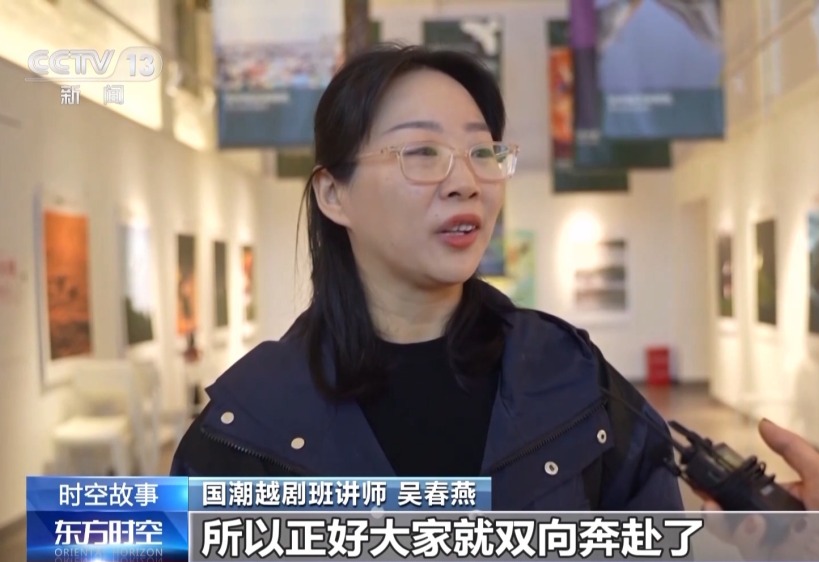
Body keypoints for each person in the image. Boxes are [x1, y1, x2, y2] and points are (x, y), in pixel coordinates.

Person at [170, 43, 683, 512]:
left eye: (482, 153)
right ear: (333, 195)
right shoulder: (248, 424)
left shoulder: (571, 374)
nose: (466, 183)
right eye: (422, 152)